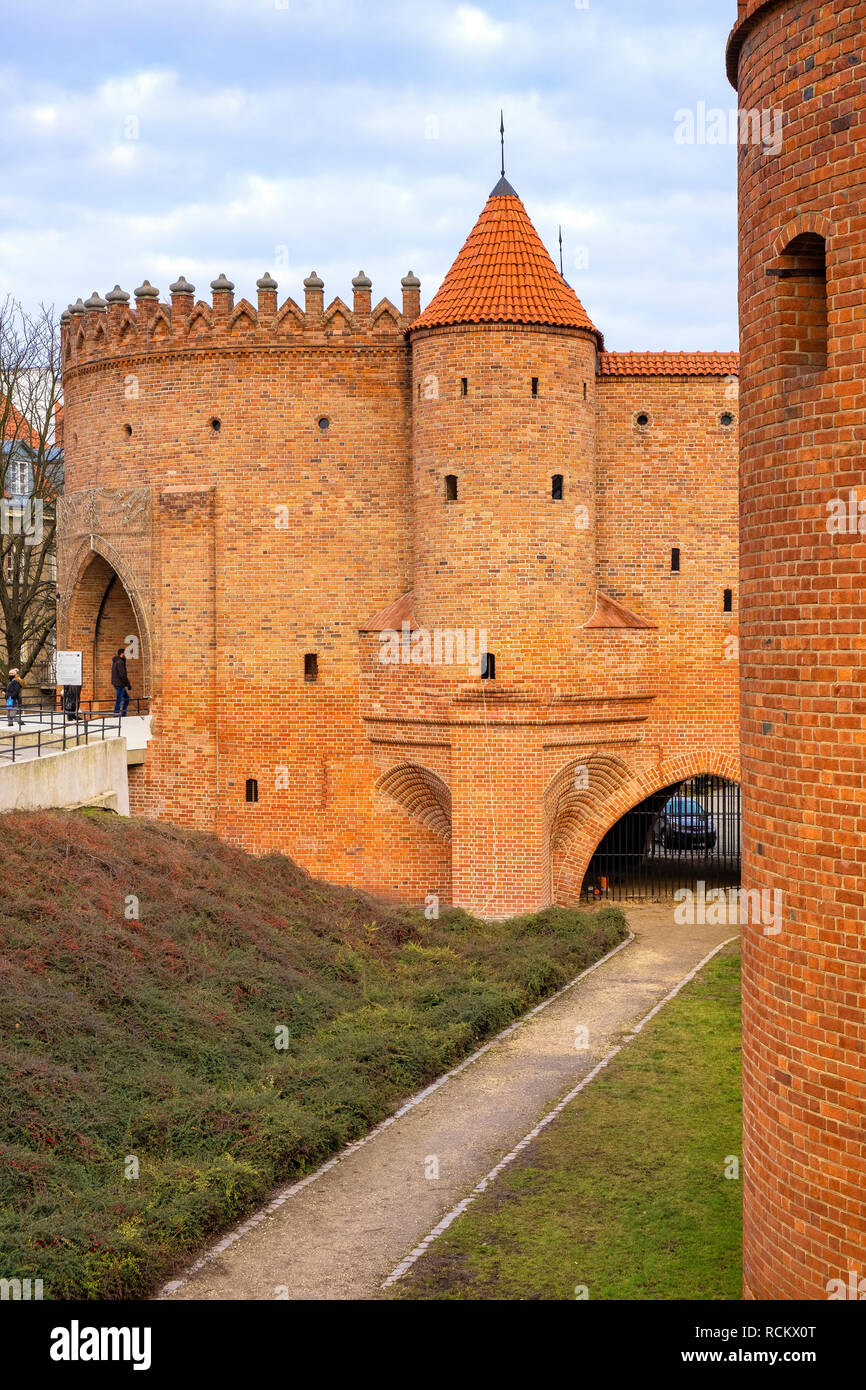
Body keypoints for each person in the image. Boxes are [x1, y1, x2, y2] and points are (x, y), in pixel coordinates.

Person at [110, 648, 131, 716]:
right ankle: (116, 714)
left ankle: (123, 714)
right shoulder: (120, 662)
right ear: (122, 653)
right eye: (125, 653)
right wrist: (128, 684)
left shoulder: (117, 661)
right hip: (120, 684)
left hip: (118, 683)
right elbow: (122, 675)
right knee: (119, 699)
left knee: (126, 698)